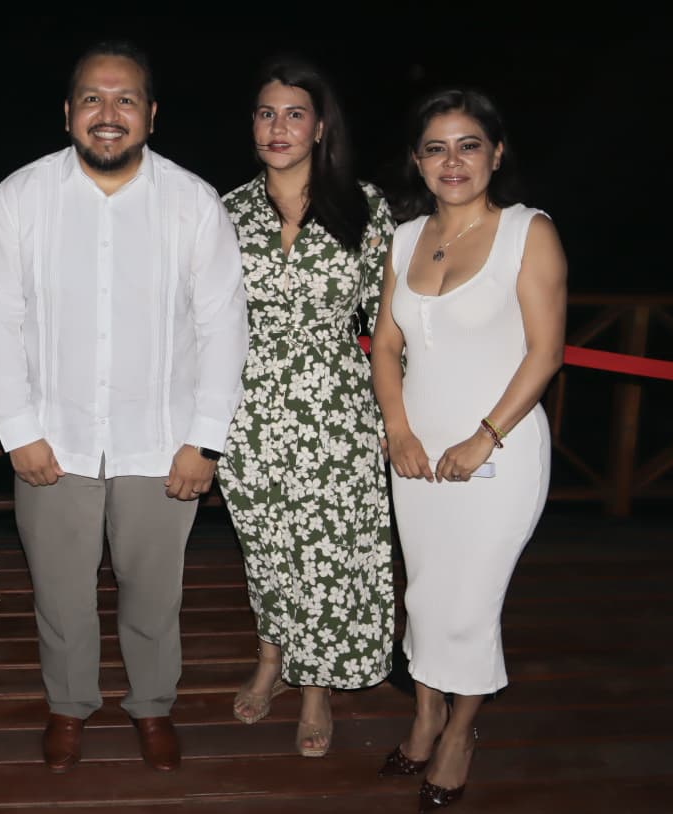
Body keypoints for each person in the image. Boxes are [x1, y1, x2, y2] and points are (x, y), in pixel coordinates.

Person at [0, 41, 248, 774]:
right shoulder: (21, 196)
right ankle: (69, 706)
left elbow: (223, 327)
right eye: (92, 98)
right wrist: (18, 431)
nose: (108, 113)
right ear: (68, 112)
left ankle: (152, 706)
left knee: (154, 594)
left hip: (161, 442)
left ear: (151, 115)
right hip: (51, 439)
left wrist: (205, 441)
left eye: (125, 99)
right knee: (60, 593)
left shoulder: (193, 202)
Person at [370, 89, 566, 811]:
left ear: (496, 153)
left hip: (499, 449)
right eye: (436, 148)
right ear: (418, 162)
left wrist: (485, 435)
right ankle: (425, 716)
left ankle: (460, 731)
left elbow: (545, 353)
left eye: (468, 145)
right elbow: (385, 345)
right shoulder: (403, 239)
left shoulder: (527, 232)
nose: (452, 161)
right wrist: (398, 429)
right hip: (416, 452)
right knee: (425, 589)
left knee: (470, 600)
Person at [217, 56, 395, 757]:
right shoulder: (225, 211)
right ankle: (271, 657)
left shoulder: (365, 206)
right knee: (266, 543)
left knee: (328, 549)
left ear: (321, 127)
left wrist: (397, 416)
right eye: (267, 113)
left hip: (337, 406)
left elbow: (391, 325)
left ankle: (315, 685)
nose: (278, 127)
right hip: (249, 405)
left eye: (295, 114)